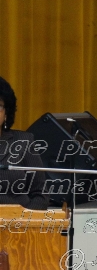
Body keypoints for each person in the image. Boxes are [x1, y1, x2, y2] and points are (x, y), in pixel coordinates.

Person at [0, 77, 48, 210]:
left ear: (6, 113)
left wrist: (25, 218)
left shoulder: (23, 142)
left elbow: (40, 195)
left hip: (19, 220)